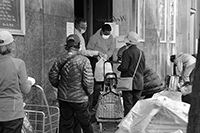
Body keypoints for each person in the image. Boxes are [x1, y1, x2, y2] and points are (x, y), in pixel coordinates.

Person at [49, 34, 94, 133]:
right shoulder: (84, 61)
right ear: (78, 45)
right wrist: (89, 92)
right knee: (85, 124)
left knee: (66, 124)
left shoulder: (59, 59)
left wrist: (60, 86)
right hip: (79, 98)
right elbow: (88, 82)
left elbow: (52, 76)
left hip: (64, 97)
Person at [0, 30, 33, 133]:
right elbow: (25, 89)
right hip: (13, 113)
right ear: (11, 45)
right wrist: (30, 82)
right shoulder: (18, 63)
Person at [87, 24, 116, 109]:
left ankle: (106, 102)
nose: (107, 36)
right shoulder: (94, 38)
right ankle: (95, 103)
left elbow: (112, 49)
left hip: (106, 61)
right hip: (96, 61)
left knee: (108, 81)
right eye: (105, 34)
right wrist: (97, 55)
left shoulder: (111, 38)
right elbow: (89, 49)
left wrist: (107, 55)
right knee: (97, 82)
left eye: (108, 34)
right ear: (102, 31)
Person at [117, 31, 146, 116]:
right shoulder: (141, 53)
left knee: (128, 104)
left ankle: (127, 124)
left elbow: (124, 67)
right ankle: (135, 123)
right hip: (139, 82)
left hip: (128, 82)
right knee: (136, 105)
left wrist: (119, 67)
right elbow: (143, 67)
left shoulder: (126, 52)